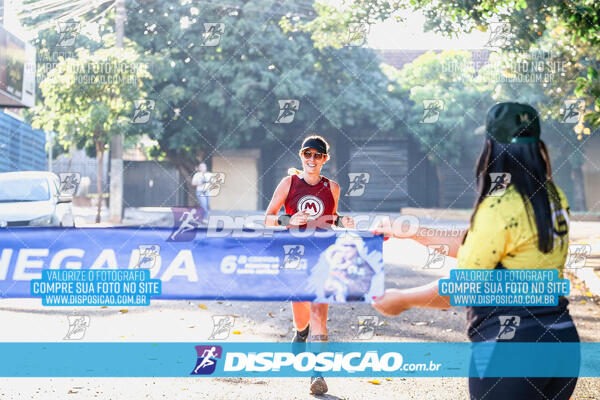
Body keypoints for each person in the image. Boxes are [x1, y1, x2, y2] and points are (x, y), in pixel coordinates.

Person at [372, 102, 579, 400]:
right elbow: (484, 242)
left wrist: (402, 300)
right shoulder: (551, 195)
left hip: (513, 349)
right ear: (537, 144)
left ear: (491, 145)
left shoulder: (499, 204)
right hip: (561, 341)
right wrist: (410, 230)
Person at [264, 135, 355, 395]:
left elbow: (331, 217)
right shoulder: (288, 183)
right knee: (301, 307)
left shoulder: (333, 187)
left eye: (318, 155)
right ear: (301, 156)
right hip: (294, 257)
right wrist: (289, 220)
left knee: (318, 312)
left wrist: (342, 222)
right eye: (307, 154)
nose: (312, 159)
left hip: (322, 258)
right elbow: (268, 219)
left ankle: (318, 373)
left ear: (325, 159)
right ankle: (300, 332)